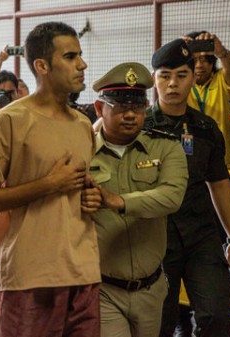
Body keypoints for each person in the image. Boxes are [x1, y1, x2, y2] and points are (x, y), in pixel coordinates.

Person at [0, 21, 101, 336]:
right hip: (30, 277)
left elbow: (77, 188)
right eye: (70, 57)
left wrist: (92, 196)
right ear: (42, 65)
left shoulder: (82, 125)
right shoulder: (9, 121)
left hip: (83, 273)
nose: (82, 64)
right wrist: (48, 185)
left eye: (80, 55)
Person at [143, 39, 230, 337]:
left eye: (181, 75)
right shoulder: (140, 128)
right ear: (154, 79)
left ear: (194, 76)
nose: (173, 84)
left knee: (217, 315)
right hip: (156, 239)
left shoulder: (205, 128)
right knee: (159, 321)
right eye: (165, 75)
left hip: (202, 236)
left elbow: (219, 182)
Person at [89, 62, 188, 337]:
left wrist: (117, 201)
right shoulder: (82, 152)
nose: (131, 115)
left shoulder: (166, 146)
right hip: (103, 289)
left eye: (138, 107)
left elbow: (171, 196)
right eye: (120, 107)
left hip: (151, 289)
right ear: (100, 109)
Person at [185, 31, 230, 170]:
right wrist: (176, 51)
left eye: (204, 59)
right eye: (194, 60)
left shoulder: (221, 79)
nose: (199, 65)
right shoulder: (182, 83)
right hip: (188, 164)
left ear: (212, 61)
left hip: (221, 163)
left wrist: (220, 51)